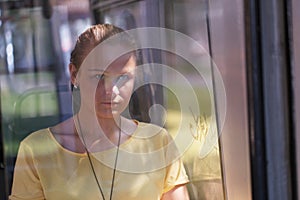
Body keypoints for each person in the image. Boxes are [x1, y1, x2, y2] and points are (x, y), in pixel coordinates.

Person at [9, 24, 190, 200]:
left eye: (122, 78)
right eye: (98, 76)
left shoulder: (158, 142)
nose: (112, 90)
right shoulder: (35, 151)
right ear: (74, 75)